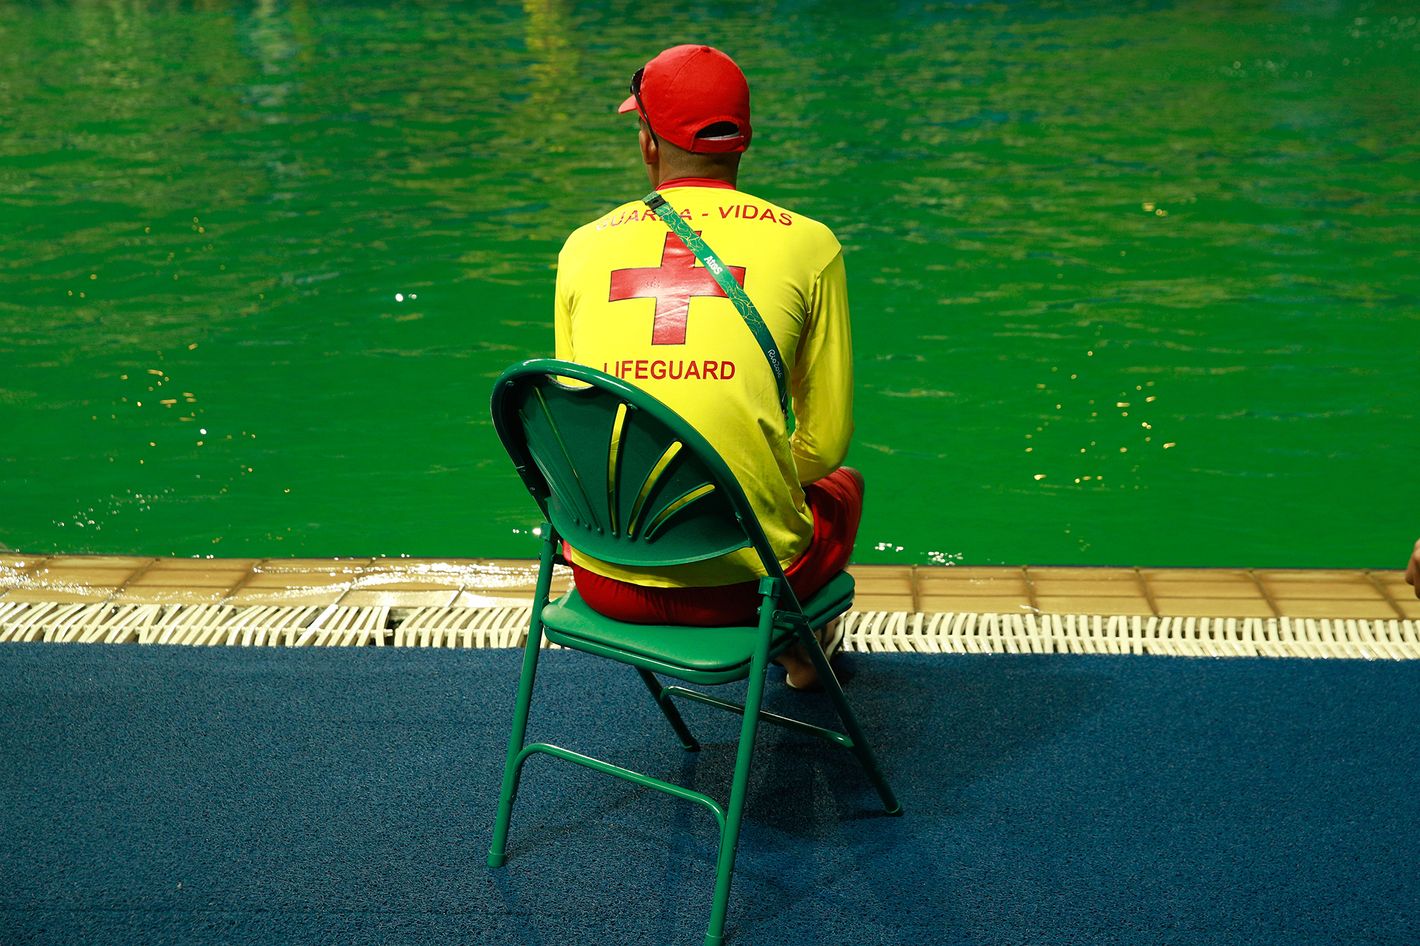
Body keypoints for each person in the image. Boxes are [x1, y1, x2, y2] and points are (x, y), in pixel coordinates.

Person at [552, 44, 861, 688]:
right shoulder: (811, 244)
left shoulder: (583, 248)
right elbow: (825, 444)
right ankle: (799, 650)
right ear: (742, 141)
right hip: (742, 588)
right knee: (844, 489)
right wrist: (733, 482)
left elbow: (573, 428)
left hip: (606, 572)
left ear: (647, 143)